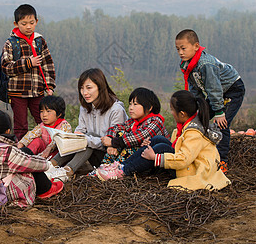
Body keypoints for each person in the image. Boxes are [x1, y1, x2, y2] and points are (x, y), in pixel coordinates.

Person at [96, 90, 231, 191]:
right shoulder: (187, 126)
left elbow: (184, 158)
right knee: (158, 140)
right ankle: (120, 167)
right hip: (190, 164)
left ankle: (123, 170)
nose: (171, 113)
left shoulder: (193, 133)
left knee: (161, 148)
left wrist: (156, 157)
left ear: (182, 114)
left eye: (173, 110)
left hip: (195, 170)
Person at [175, 29, 245, 172]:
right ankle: (199, 152)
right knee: (200, 119)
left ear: (196, 46)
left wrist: (219, 112)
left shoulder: (205, 64)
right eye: (178, 49)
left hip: (232, 89)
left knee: (222, 124)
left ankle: (221, 161)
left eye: (183, 48)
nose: (180, 52)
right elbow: (195, 89)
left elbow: (214, 89)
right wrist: (195, 109)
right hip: (217, 93)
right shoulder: (187, 64)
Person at [47, 68, 128, 182]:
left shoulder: (116, 110)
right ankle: (50, 166)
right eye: (81, 88)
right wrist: (73, 137)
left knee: (87, 139)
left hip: (110, 157)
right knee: (80, 138)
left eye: (89, 88)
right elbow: (81, 130)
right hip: (91, 153)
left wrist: (86, 139)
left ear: (100, 87)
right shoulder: (85, 108)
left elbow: (115, 142)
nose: (85, 93)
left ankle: (66, 172)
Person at [0, 109, 63, 207]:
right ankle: (47, 189)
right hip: (2, 195)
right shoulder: (7, 152)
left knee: (25, 153)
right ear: (7, 131)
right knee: (28, 166)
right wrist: (45, 162)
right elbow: (42, 165)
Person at [0, 4, 56, 141]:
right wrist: (28, 63)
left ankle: (47, 145)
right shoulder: (11, 43)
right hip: (17, 92)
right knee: (21, 125)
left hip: (37, 90)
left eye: (31, 23)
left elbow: (48, 64)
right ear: (16, 23)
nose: (28, 27)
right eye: (24, 24)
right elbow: (6, 67)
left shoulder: (39, 41)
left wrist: (49, 86)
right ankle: (21, 150)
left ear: (37, 21)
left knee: (43, 120)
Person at [98, 87, 169, 165]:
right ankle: (105, 167)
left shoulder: (155, 121)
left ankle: (117, 169)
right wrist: (110, 140)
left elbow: (139, 137)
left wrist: (113, 142)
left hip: (152, 162)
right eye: (130, 104)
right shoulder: (133, 121)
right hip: (138, 159)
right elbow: (115, 128)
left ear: (149, 107)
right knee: (120, 134)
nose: (131, 108)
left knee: (131, 145)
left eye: (135, 104)